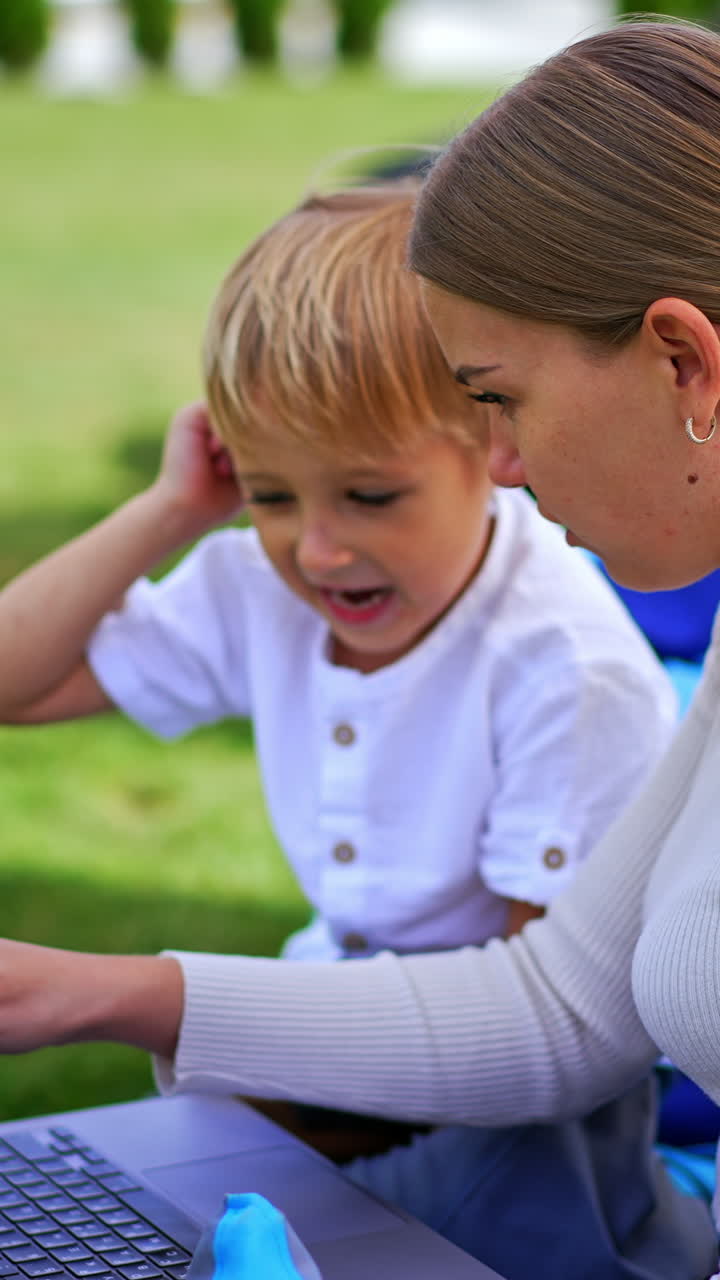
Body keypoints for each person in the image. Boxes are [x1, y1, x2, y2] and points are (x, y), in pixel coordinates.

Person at [1, 22, 720, 1278]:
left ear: (683, 360)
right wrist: (108, 990)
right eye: (274, 494)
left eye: (497, 396)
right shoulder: (269, 587)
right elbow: (561, 1007)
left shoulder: (564, 652)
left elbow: (545, 1046)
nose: (500, 463)